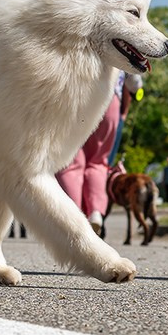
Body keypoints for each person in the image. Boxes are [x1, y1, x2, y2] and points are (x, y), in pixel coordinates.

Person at [56, 93, 122, 235]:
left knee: (71, 164)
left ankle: (74, 218)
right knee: (97, 163)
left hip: (73, 96)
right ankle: (96, 212)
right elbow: (134, 83)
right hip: (108, 100)